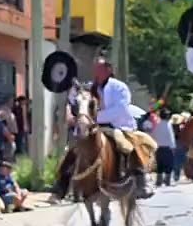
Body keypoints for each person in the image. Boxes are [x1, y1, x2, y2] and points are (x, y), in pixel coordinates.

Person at [51, 58, 155, 200]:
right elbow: (76, 100)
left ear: (109, 70)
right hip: (94, 127)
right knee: (74, 149)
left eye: (99, 69)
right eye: (95, 69)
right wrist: (72, 100)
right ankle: (62, 183)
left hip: (118, 125)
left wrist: (95, 118)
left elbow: (120, 109)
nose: (96, 72)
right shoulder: (90, 88)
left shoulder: (120, 87)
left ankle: (141, 179)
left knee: (128, 145)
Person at [152, 107, 177, 186]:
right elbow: (171, 136)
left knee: (160, 165)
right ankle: (167, 181)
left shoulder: (157, 124)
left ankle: (159, 181)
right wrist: (173, 147)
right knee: (169, 165)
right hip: (167, 148)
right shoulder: (168, 124)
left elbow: (154, 135)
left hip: (158, 148)